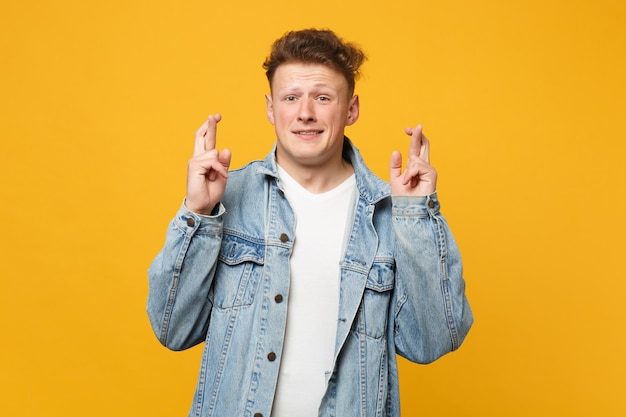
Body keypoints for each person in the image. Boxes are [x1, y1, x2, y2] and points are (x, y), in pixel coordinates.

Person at [147, 28, 473, 417]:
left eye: (322, 97)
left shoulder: (390, 212)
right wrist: (197, 214)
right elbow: (174, 330)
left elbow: (432, 342)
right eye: (291, 98)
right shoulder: (225, 199)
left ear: (350, 109)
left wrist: (416, 217)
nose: (305, 113)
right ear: (270, 108)